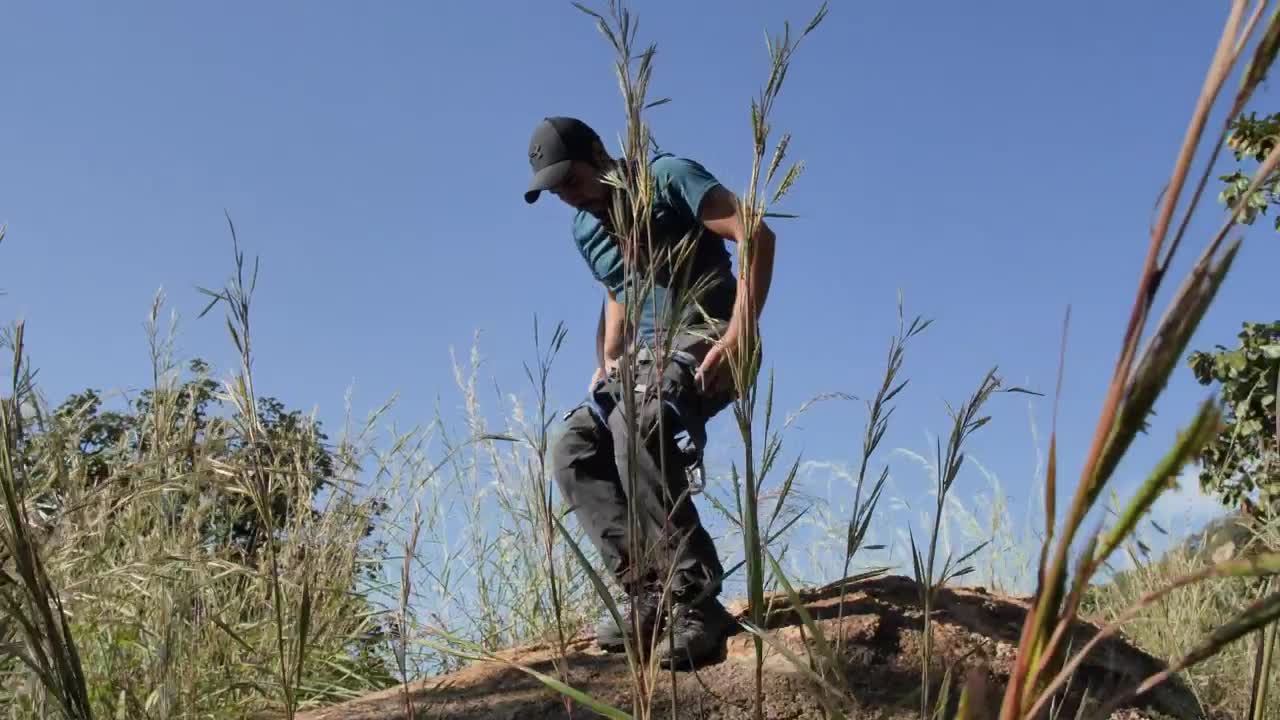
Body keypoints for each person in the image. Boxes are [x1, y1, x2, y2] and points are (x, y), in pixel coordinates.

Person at [525, 116, 776, 669]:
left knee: (638, 420)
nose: (568, 195)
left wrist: (741, 331)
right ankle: (644, 592)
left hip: (708, 330)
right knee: (571, 448)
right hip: (645, 357)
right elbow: (617, 289)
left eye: (572, 178)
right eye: (556, 188)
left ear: (599, 153)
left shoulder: (667, 178)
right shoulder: (585, 228)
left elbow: (756, 233)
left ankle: (695, 599)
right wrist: (607, 359)